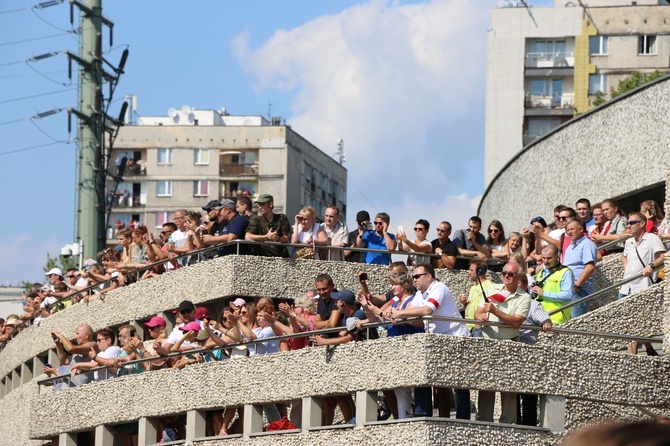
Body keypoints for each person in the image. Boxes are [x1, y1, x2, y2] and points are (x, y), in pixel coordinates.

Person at [386, 263, 470, 419]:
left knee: (459, 383)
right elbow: (410, 310)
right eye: (413, 276)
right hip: (437, 340)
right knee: (433, 379)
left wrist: (400, 313)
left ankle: (463, 419)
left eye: (417, 276)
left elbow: (427, 310)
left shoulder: (439, 288)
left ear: (429, 276)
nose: (414, 279)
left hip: (456, 338)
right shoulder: (420, 293)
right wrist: (397, 314)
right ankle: (423, 414)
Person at [358, 272, 423, 419]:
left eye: (395, 284)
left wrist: (378, 311)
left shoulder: (412, 301)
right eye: (392, 284)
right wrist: (367, 307)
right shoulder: (394, 303)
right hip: (395, 349)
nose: (392, 287)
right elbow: (377, 319)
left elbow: (406, 318)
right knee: (400, 390)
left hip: (408, 348)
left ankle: (409, 417)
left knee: (410, 389)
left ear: (405, 285)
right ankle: (402, 419)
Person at [475, 262, 531, 424]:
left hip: (510, 344)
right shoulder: (492, 289)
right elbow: (477, 312)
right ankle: (484, 421)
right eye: (504, 272)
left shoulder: (525, 297)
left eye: (511, 273)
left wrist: (495, 311)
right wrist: (481, 317)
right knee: (486, 385)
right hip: (488, 342)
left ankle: (508, 423)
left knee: (508, 386)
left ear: (519, 277)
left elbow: (516, 322)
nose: (506, 275)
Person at [619, 212, 665, 356]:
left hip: (642, 285)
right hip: (626, 286)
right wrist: (627, 268)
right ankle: (647, 348)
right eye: (628, 223)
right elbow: (624, 256)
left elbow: (663, 256)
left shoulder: (651, 238)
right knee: (629, 323)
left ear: (642, 223)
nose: (629, 226)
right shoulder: (629, 241)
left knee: (635, 323)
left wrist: (651, 265)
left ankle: (634, 357)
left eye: (632, 223)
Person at [529, 244, 575, 324]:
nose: (546, 261)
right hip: (539, 316)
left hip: (556, 317)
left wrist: (543, 293)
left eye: (549, 258)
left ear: (557, 256)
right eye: (543, 258)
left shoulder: (566, 272)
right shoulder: (541, 272)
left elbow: (568, 296)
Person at [563, 218, 598, 318]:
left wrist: (577, 286)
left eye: (572, 229)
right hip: (568, 289)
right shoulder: (570, 247)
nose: (569, 232)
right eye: (567, 230)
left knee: (577, 320)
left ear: (581, 229)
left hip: (579, 290)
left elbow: (590, 266)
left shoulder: (587, 244)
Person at [458, 260, 491, 336]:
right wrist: (464, 303)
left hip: (479, 327)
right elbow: (470, 307)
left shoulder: (489, 286)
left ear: (480, 271)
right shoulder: (473, 287)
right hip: (468, 327)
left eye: (471, 270)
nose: (469, 272)